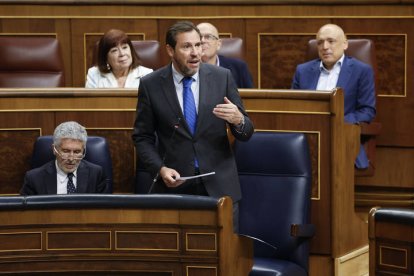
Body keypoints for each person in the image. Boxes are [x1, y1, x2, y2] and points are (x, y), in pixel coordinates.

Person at [132, 21, 254, 231]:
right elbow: (142, 137)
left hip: (220, 188)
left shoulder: (221, 77)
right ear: (170, 50)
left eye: (198, 45)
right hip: (175, 187)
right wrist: (160, 169)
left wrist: (238, 120)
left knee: (223, 258)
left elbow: (246, 132)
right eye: (187, 46)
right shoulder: (151, 84)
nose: (195, 52)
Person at [291, 23, 376, 169]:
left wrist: (337, 123)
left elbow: (367, 111)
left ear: (345, 44)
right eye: (320, 42)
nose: (324, 47)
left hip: (341, 138)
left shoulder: (361, 71)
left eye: (331, 41)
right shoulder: (303, 71)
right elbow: (293, 107)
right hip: (306, 137)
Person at [20, 121, 110, 195]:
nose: (71, 158)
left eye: (77, 152)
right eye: (66, 151)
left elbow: (104, 210)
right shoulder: (34, 178)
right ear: (54, 149)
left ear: (83, 150)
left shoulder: (96, 174)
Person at [85, 29, 153, 88]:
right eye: (114, 50)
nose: (122, 54)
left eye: (125, 47)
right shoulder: (94, 75)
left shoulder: (147, 75)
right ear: (105, 57)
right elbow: (90, 102)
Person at [196, 22, 254, 88]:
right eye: (199, 37)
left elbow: (250, 96)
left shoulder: (239, 67)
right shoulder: (188, 68)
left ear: (218, 44)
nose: (202, 41)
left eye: (208, 37)